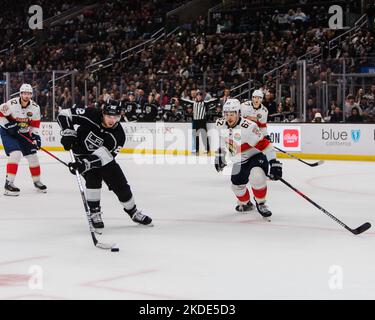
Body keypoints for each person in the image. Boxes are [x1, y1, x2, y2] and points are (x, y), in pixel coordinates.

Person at [57, 99, 153, 229]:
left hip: (103, 160)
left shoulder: (119, 135)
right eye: (109, 116)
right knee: (93, 180)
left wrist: (83, 164)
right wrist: (68, 132)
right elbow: (64, 114)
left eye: (116, 117)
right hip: (81, 154)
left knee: (121, 185)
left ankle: (133, 212)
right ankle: (95, 213)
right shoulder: (91, 114)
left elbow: (104, 156)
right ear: (103, 113)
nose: (112, 120)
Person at [214, 99, 283, 218]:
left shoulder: (249, 127)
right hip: (239, 160)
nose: (229, 117)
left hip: (255, 157)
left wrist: (274, 163)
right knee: (236, 187)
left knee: (257, 177)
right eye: (226, 114)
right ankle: (247, 204)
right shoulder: (220, 124)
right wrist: (220, 155)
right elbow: (222, 140)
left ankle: (261, 203)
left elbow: (266, 145)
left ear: (238, 113)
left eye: (232, 114)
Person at [0, 83, 47, 196]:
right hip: (8, 132)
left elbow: (34, 126)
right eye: (24, 93)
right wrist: (9, 127)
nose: (26, 96)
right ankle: (9, 184)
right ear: (20, 94)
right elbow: (1, 114)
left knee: (33, 157)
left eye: (28, 94)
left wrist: (36, 137)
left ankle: (37, 181)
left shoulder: (35, 108)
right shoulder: (11, 104)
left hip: (24, 133)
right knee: (15, 154)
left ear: (31, 95)